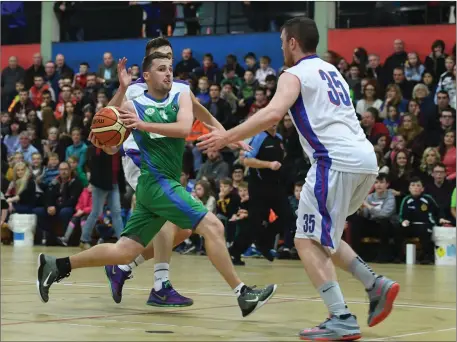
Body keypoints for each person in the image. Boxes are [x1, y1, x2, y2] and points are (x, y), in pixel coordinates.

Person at [197, 17, 399, 341]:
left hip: (334, 161)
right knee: (323, 237)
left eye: (281, 42)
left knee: (305, 240)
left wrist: (226, 136)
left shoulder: (294, 74)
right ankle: (376, 285)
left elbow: (273, 114)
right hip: (364, 160)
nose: (280, 48)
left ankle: (341, 317)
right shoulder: (332, 70)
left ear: (292, 42)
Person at [36, 51, 276, 318]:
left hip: (160, 185)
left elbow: (197, 120)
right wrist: (121, 94)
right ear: (146, 75)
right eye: (162, 68)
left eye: (171, 67)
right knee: (213, 226)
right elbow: (110, 142)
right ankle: (242, 294)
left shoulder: (179, 96)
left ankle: (57, 266)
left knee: (124, 251)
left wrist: (229, 136)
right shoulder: (132, 105)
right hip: (156, 181)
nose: (169, 73)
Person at [103, 37, 250, 307]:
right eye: (161, 57)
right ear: (148, 63)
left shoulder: (179, 89)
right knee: (170, 220)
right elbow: (107, 119)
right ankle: (160, 284)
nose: (167, 63)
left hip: (169, 159)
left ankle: (123, 266)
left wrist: (228, 135)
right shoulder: (134, 91)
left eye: (170, 57)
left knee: (183, 228)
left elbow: (201, 112)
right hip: (141, 159)